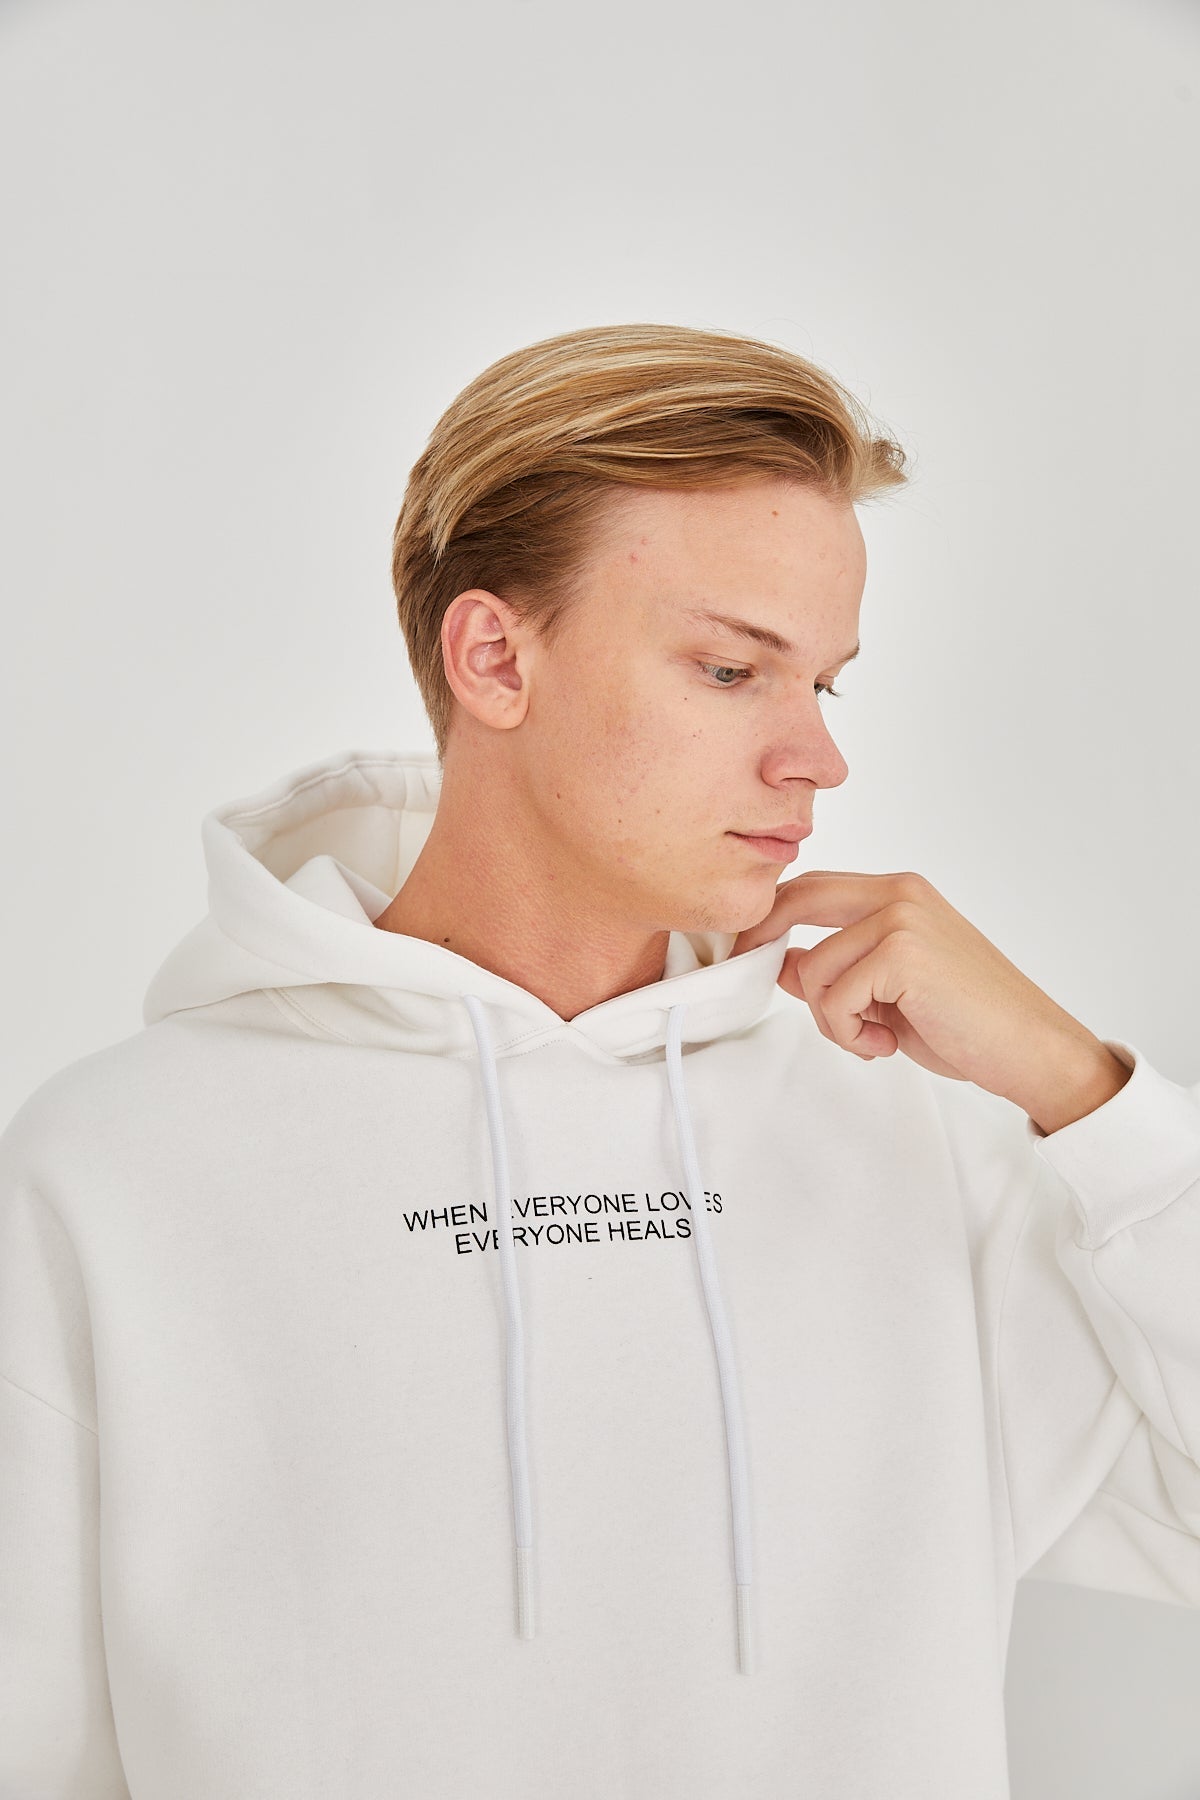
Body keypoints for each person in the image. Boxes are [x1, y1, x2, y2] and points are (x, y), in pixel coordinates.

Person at [2, 321, 1198, 1800]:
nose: (817, 758)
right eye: (731, 669)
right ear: (496, 657)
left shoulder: (918, 1130)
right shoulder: (113, 1172)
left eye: (825, 684)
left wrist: (1085, 1092)